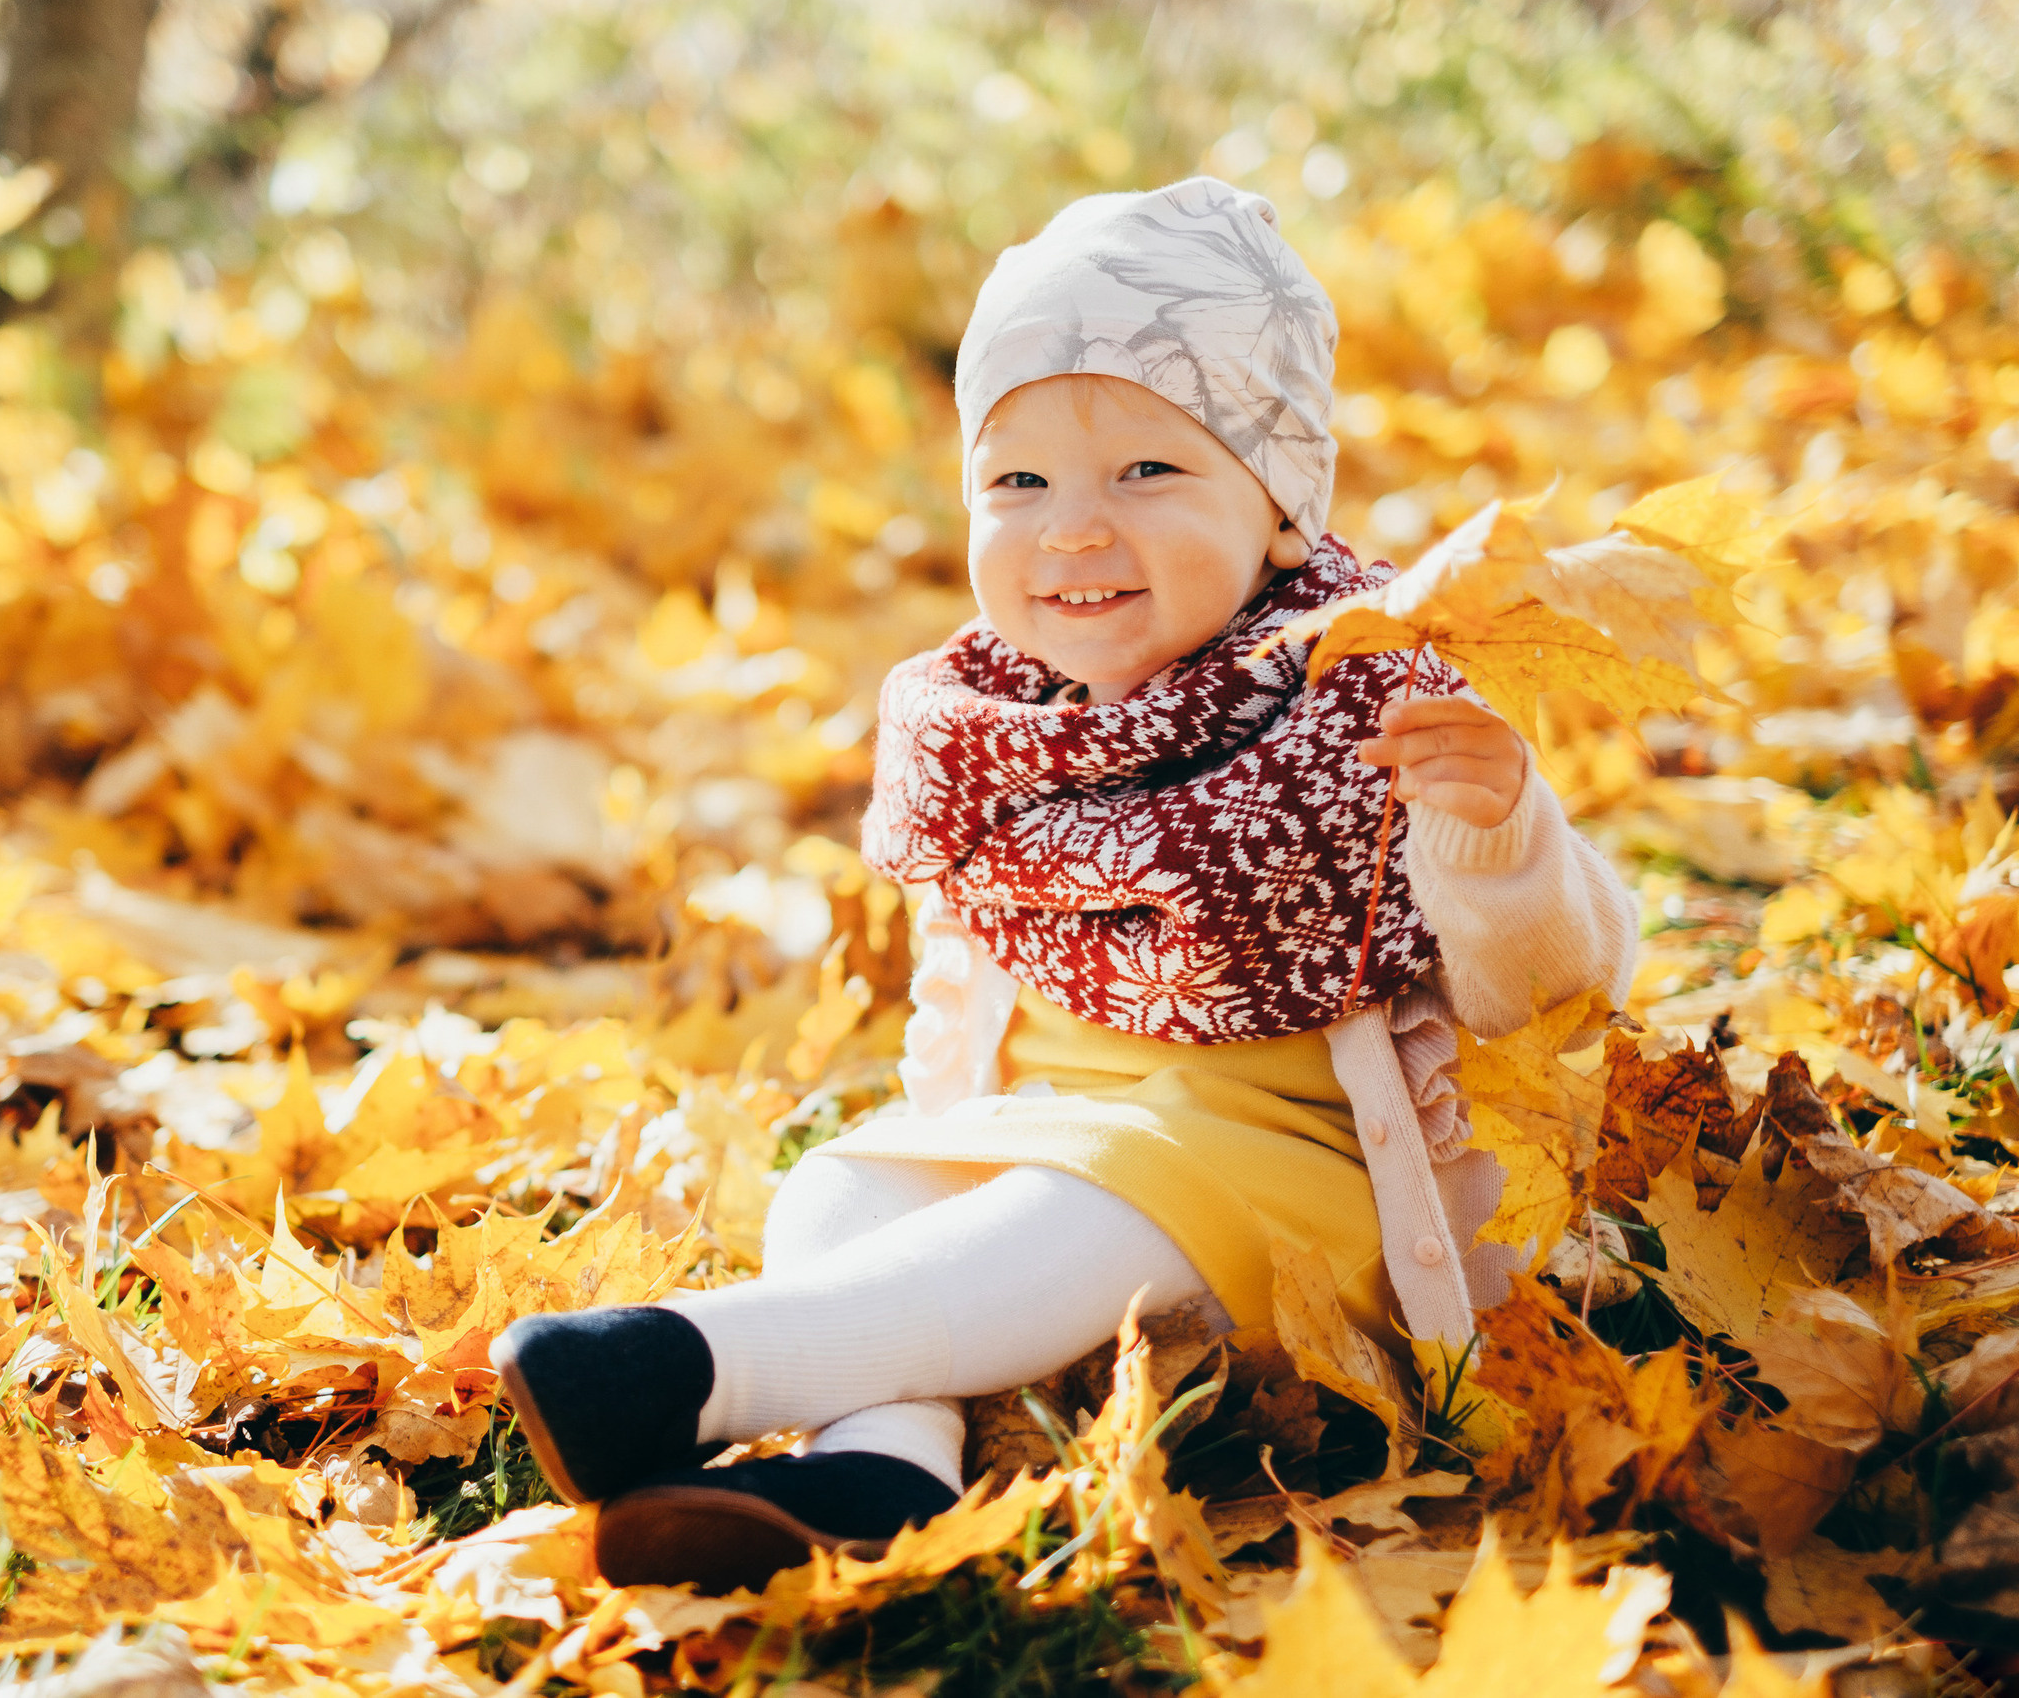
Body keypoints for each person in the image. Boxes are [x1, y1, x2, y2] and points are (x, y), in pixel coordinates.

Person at [490, 177, 1640, 1593]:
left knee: (1094, 1208)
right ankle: (885, 1471)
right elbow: (962, 1005)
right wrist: (940, 1155)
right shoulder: (994, 733)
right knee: (844, 1190)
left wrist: (1498, 836)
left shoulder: (1374, 700)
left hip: (1301, 1190)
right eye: (1017, 483)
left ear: (1280, 507)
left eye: (1147, 472)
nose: (1071, 530)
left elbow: (1560, 993)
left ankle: (693, 1369)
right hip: (1051, 1141)